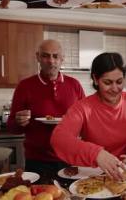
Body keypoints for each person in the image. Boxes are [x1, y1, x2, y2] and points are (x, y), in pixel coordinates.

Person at [51, 52, 126, 181]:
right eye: (107, 82)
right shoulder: (83, 107)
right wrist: (96, 154)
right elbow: (58, 139)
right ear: (95, 79)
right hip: (95, 176)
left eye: (119, 81)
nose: (115, 88)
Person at [6, 39, 85, 181]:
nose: (51, 61)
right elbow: (11, 127)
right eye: (45, 55)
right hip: (37, 161)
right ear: (38, 57)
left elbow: (85, 122)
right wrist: (18, 121)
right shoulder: (24, 86)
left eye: (55, 56)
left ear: (62, 59)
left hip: (69, 158)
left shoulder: (75, 85)